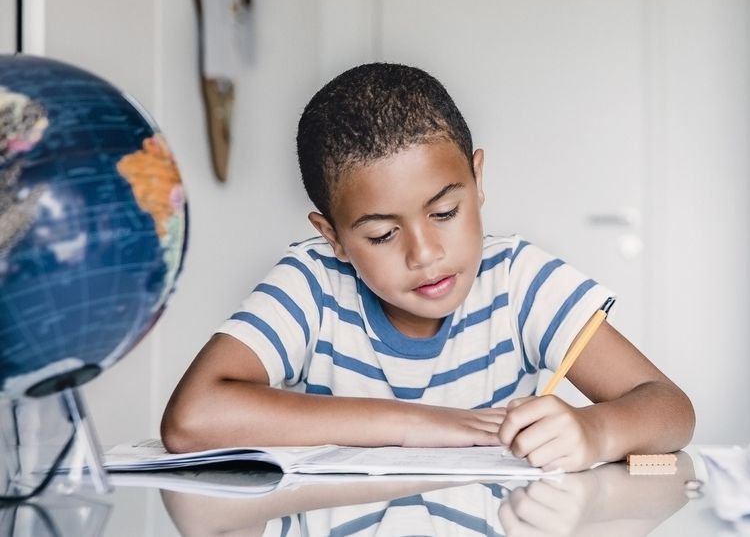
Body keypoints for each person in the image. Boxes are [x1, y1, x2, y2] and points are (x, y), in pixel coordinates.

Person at [161, 63, 694, 472]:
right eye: (381, 234)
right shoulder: (313, 283)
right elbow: (191, 420)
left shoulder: (520, 281)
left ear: (477, 179)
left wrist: (593, 431)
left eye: (444, 212)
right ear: (334, 237)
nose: (424, 253)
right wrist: (426, 424)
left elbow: (670, 408)